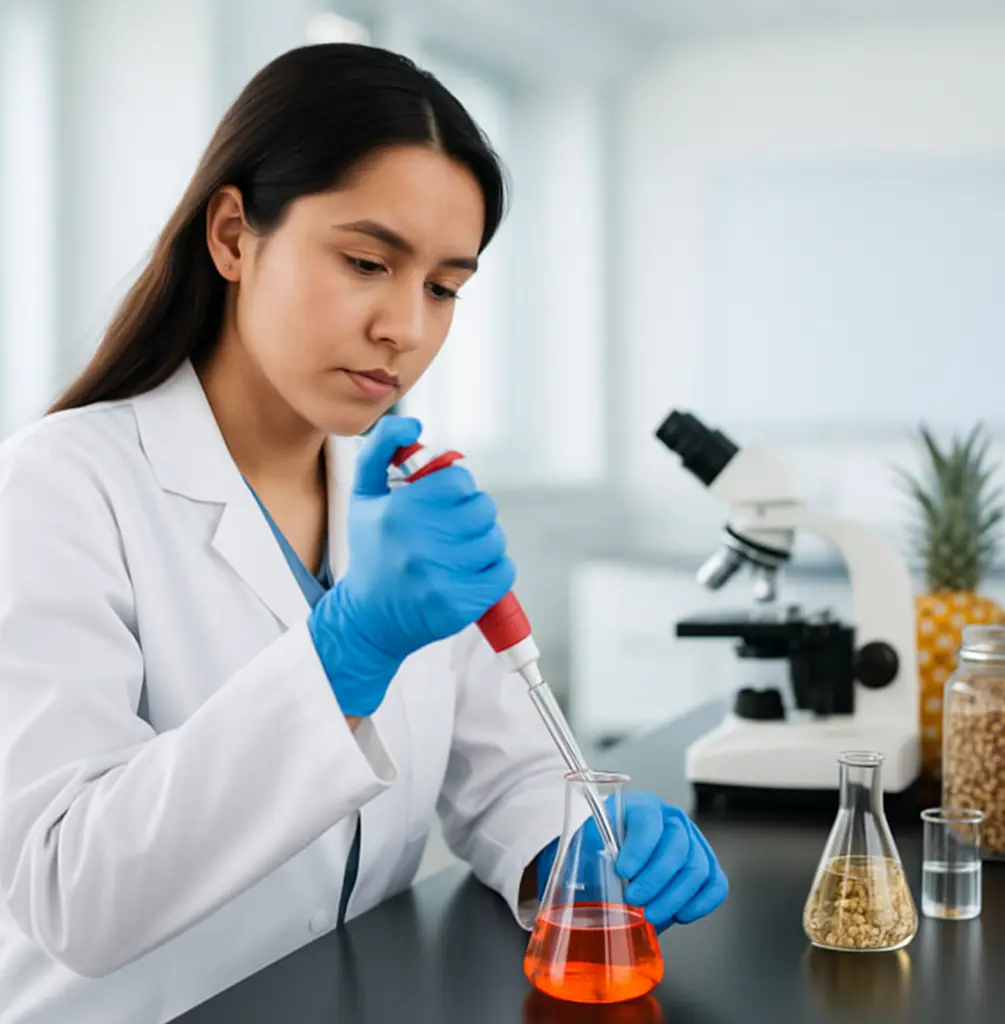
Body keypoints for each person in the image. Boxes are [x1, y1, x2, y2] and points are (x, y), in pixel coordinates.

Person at [0, 44, 727, 1023]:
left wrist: (567, 844)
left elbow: (504, 766)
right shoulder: (58, 487)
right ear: (232, 236)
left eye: (444, 287)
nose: (406, 327)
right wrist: (344, 652)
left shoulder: (402, 490)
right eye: (367, 262)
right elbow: (68, 889)